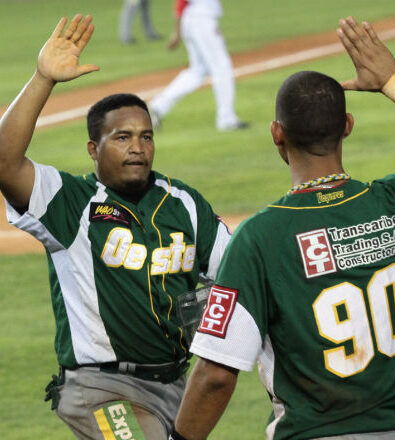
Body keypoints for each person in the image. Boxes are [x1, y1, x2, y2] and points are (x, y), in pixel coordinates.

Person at [169, 16, 395, 440]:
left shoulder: (260, 238)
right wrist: (393, 82)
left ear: (277, 134)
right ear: (347, 126)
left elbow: (215, 374)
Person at [0, 15, 231, 440]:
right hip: (100, 387)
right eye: (122, 138)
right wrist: (42, 79)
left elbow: (237, 274)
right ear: (94, 148)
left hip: (178, 386)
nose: (137, 148)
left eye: (146, 137)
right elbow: (5, 162)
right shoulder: (69, 202)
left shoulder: (184, 203)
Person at [149, 0, 248, 131]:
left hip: (192, 18)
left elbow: (181, 3)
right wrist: (177, 30)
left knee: (197, 71)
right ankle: (226, 119)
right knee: (221, 68)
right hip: (202, 19)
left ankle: (158, 106)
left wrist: (177, 30)